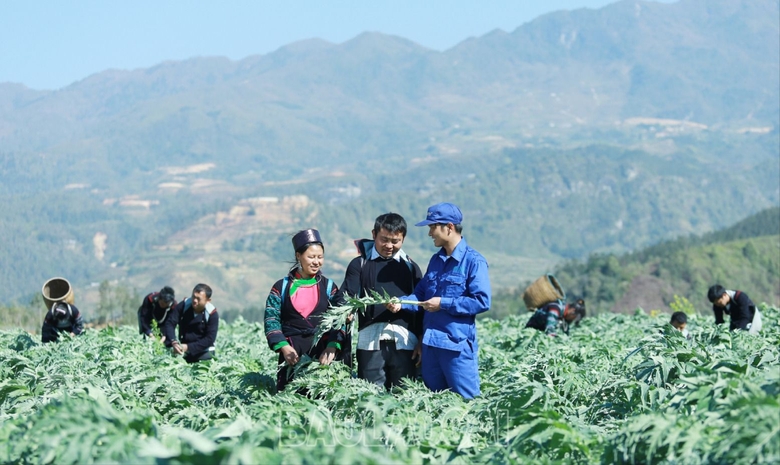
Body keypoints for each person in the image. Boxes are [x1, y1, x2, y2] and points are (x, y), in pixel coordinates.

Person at [388, 202, 491, 399]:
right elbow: (420, 295)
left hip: (456, 347)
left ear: (449, 227)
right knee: (435, 404)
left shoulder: (473, 262)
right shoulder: (436, 261)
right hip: (431, 346)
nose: (430, 233)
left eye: (432, 227)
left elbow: (481, 301)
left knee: (466, 403)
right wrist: (401, 302)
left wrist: (443, 303)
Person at [339, 213, 423, 390]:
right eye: (384, 239)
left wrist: (421, 340)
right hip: (370, 341)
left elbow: (421, 304)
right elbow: (347, 295)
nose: (389, 246)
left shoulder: (411, 267)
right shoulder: (359, 264)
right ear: (373, 234)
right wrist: (347, 311)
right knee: (370, 397)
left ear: (403, 239)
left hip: (405, 342)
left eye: (395, 241)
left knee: (405, 396)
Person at [264, 229, 348, 391]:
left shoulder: (329, 287)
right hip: (291, 355)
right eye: (311, 257)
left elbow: (340, 318)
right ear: (298, 256)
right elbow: (271, 320)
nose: (316, 262)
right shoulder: (280, 287)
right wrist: (284, 346)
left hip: (322, 355)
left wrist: (332, 346)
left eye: (320, 257)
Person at [162, 283, 219, 363]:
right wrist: (174, 341)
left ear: (208, 301)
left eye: (198, 299)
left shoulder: (212, 314)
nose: (195, 300)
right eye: (193, 297)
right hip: (184, 351)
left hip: (204, 353)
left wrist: (188, 347)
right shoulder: (184, 305)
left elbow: (209, 339)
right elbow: (170, 323)